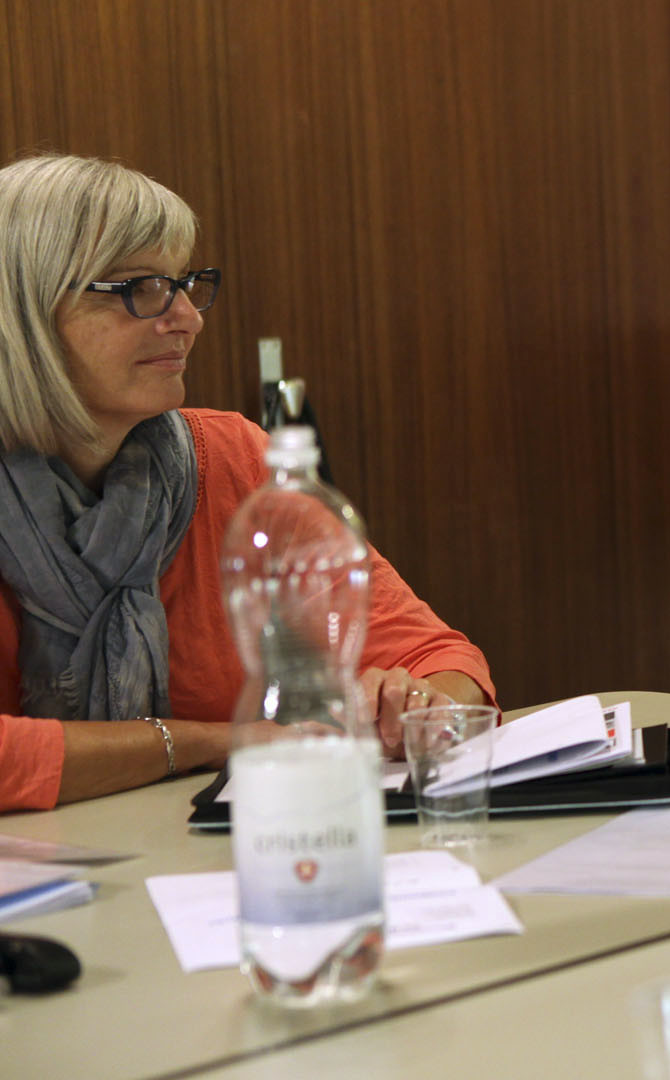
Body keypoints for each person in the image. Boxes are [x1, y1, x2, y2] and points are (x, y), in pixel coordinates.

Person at [0, 154, 494, 811]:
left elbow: (441, 657)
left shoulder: (235, 458)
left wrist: (414, 701)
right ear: (24, 313)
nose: (187, 318)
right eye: (138, 288)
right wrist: (217, 741)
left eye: (183, 283)